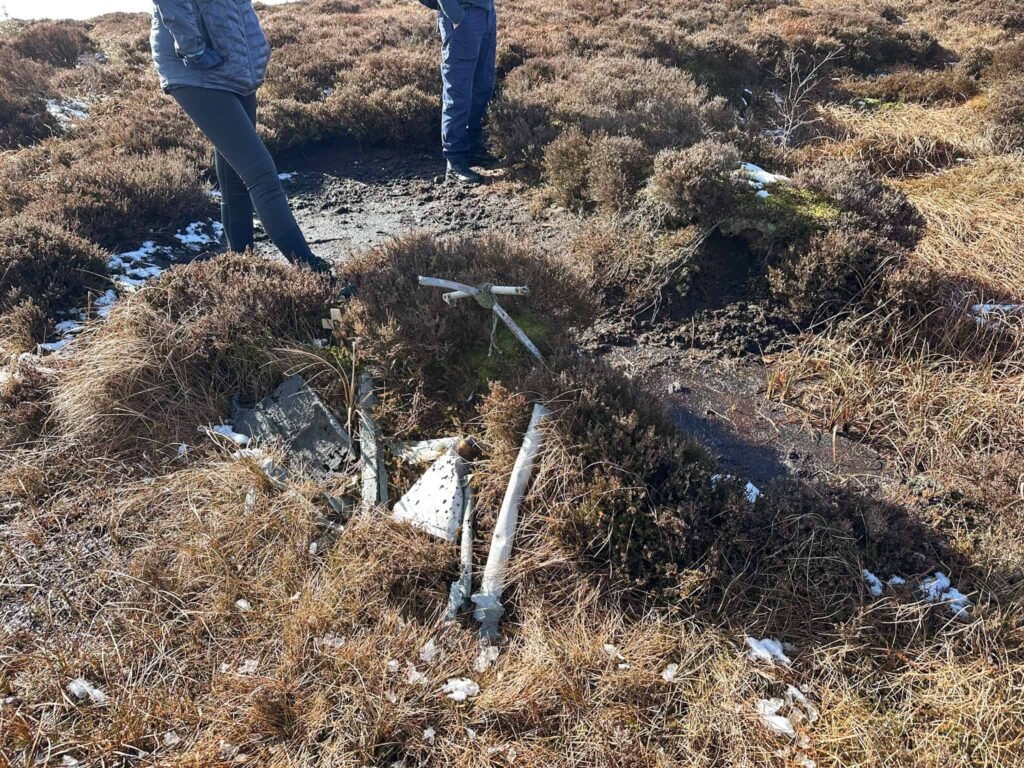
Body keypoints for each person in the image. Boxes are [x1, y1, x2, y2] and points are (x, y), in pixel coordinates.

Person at [150, 0, 330, 272]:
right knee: (262, 176)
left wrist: (255, 53)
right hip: (196, 71)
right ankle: (312, 270)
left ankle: (242, 270)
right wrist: (194, 49)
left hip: (233, 70)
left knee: (235, 182)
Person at [436, 0, 498, 185]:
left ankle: (472, 148)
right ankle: (455, 160)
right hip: (463, 16)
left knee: (483, 85)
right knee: (458, 91)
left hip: (485, 13)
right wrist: (457, 16)